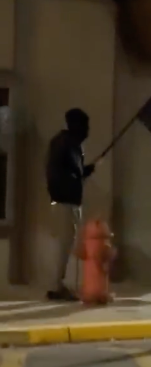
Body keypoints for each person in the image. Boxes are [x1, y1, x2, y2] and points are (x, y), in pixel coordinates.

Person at [45, 108, 95, 301]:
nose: (87, 131)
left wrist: (85, 170)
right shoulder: (70, 144)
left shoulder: (59, 142)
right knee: (65, 244)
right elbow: (74, 172)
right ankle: (57, 286)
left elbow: (72, 171)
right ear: (77, 125)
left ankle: (57, 284)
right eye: (85, 126)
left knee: (62, 244)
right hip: (67, 201)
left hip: (59, 200)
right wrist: (84, 171)